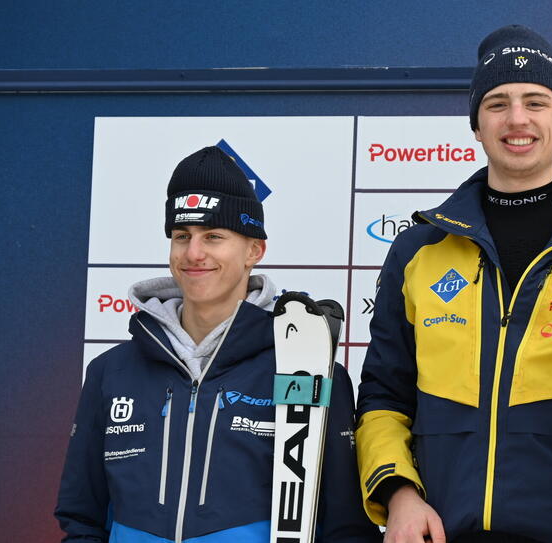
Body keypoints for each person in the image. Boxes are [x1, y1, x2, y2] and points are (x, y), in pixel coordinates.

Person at [355, 25, 552, 543]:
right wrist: (399, 495)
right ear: (477, 127)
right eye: (497, 103)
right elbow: (383, 396)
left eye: (537, 101)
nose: (518, 119)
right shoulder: (421, 248)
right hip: (438, 532)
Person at [55, 146, 381, 542]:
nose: (194, 253)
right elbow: (82, 519)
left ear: (254, 251)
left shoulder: (307, 367)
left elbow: (345, 528)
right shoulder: (112, 371)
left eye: (213, 236)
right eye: (181, 236)